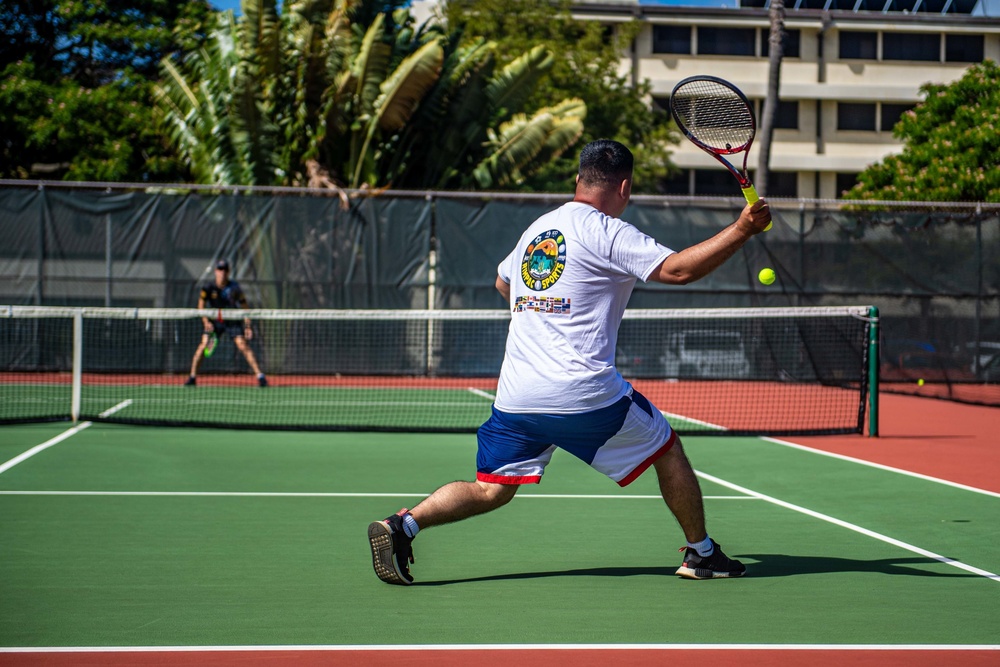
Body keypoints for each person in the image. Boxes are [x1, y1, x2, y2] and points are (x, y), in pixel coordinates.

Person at [367, 139, 772, 585]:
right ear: (624, 187)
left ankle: (403, 525)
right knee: (666, 448)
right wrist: (742, 229)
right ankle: (701, 554)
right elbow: (678, 270)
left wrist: (544, 312)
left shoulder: (538, 229)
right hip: (583, 395)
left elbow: (503, 283)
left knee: (491, 489)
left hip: (517, 398)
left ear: (578, 179)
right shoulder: (608, 231)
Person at [184, 259, 268, 388]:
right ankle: (192, 377)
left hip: (232, 321)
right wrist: (206, 322)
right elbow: (200, 306)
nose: (222, 272)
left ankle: (260, 376)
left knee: (242, 346)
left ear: (228, 272)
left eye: (225, 270)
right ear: (215, 271)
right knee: (203, 345)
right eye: (220, 269)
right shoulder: (208, 288)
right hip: (215, 322)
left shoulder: (234, 288)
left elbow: (245, 307)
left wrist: (247, 326)